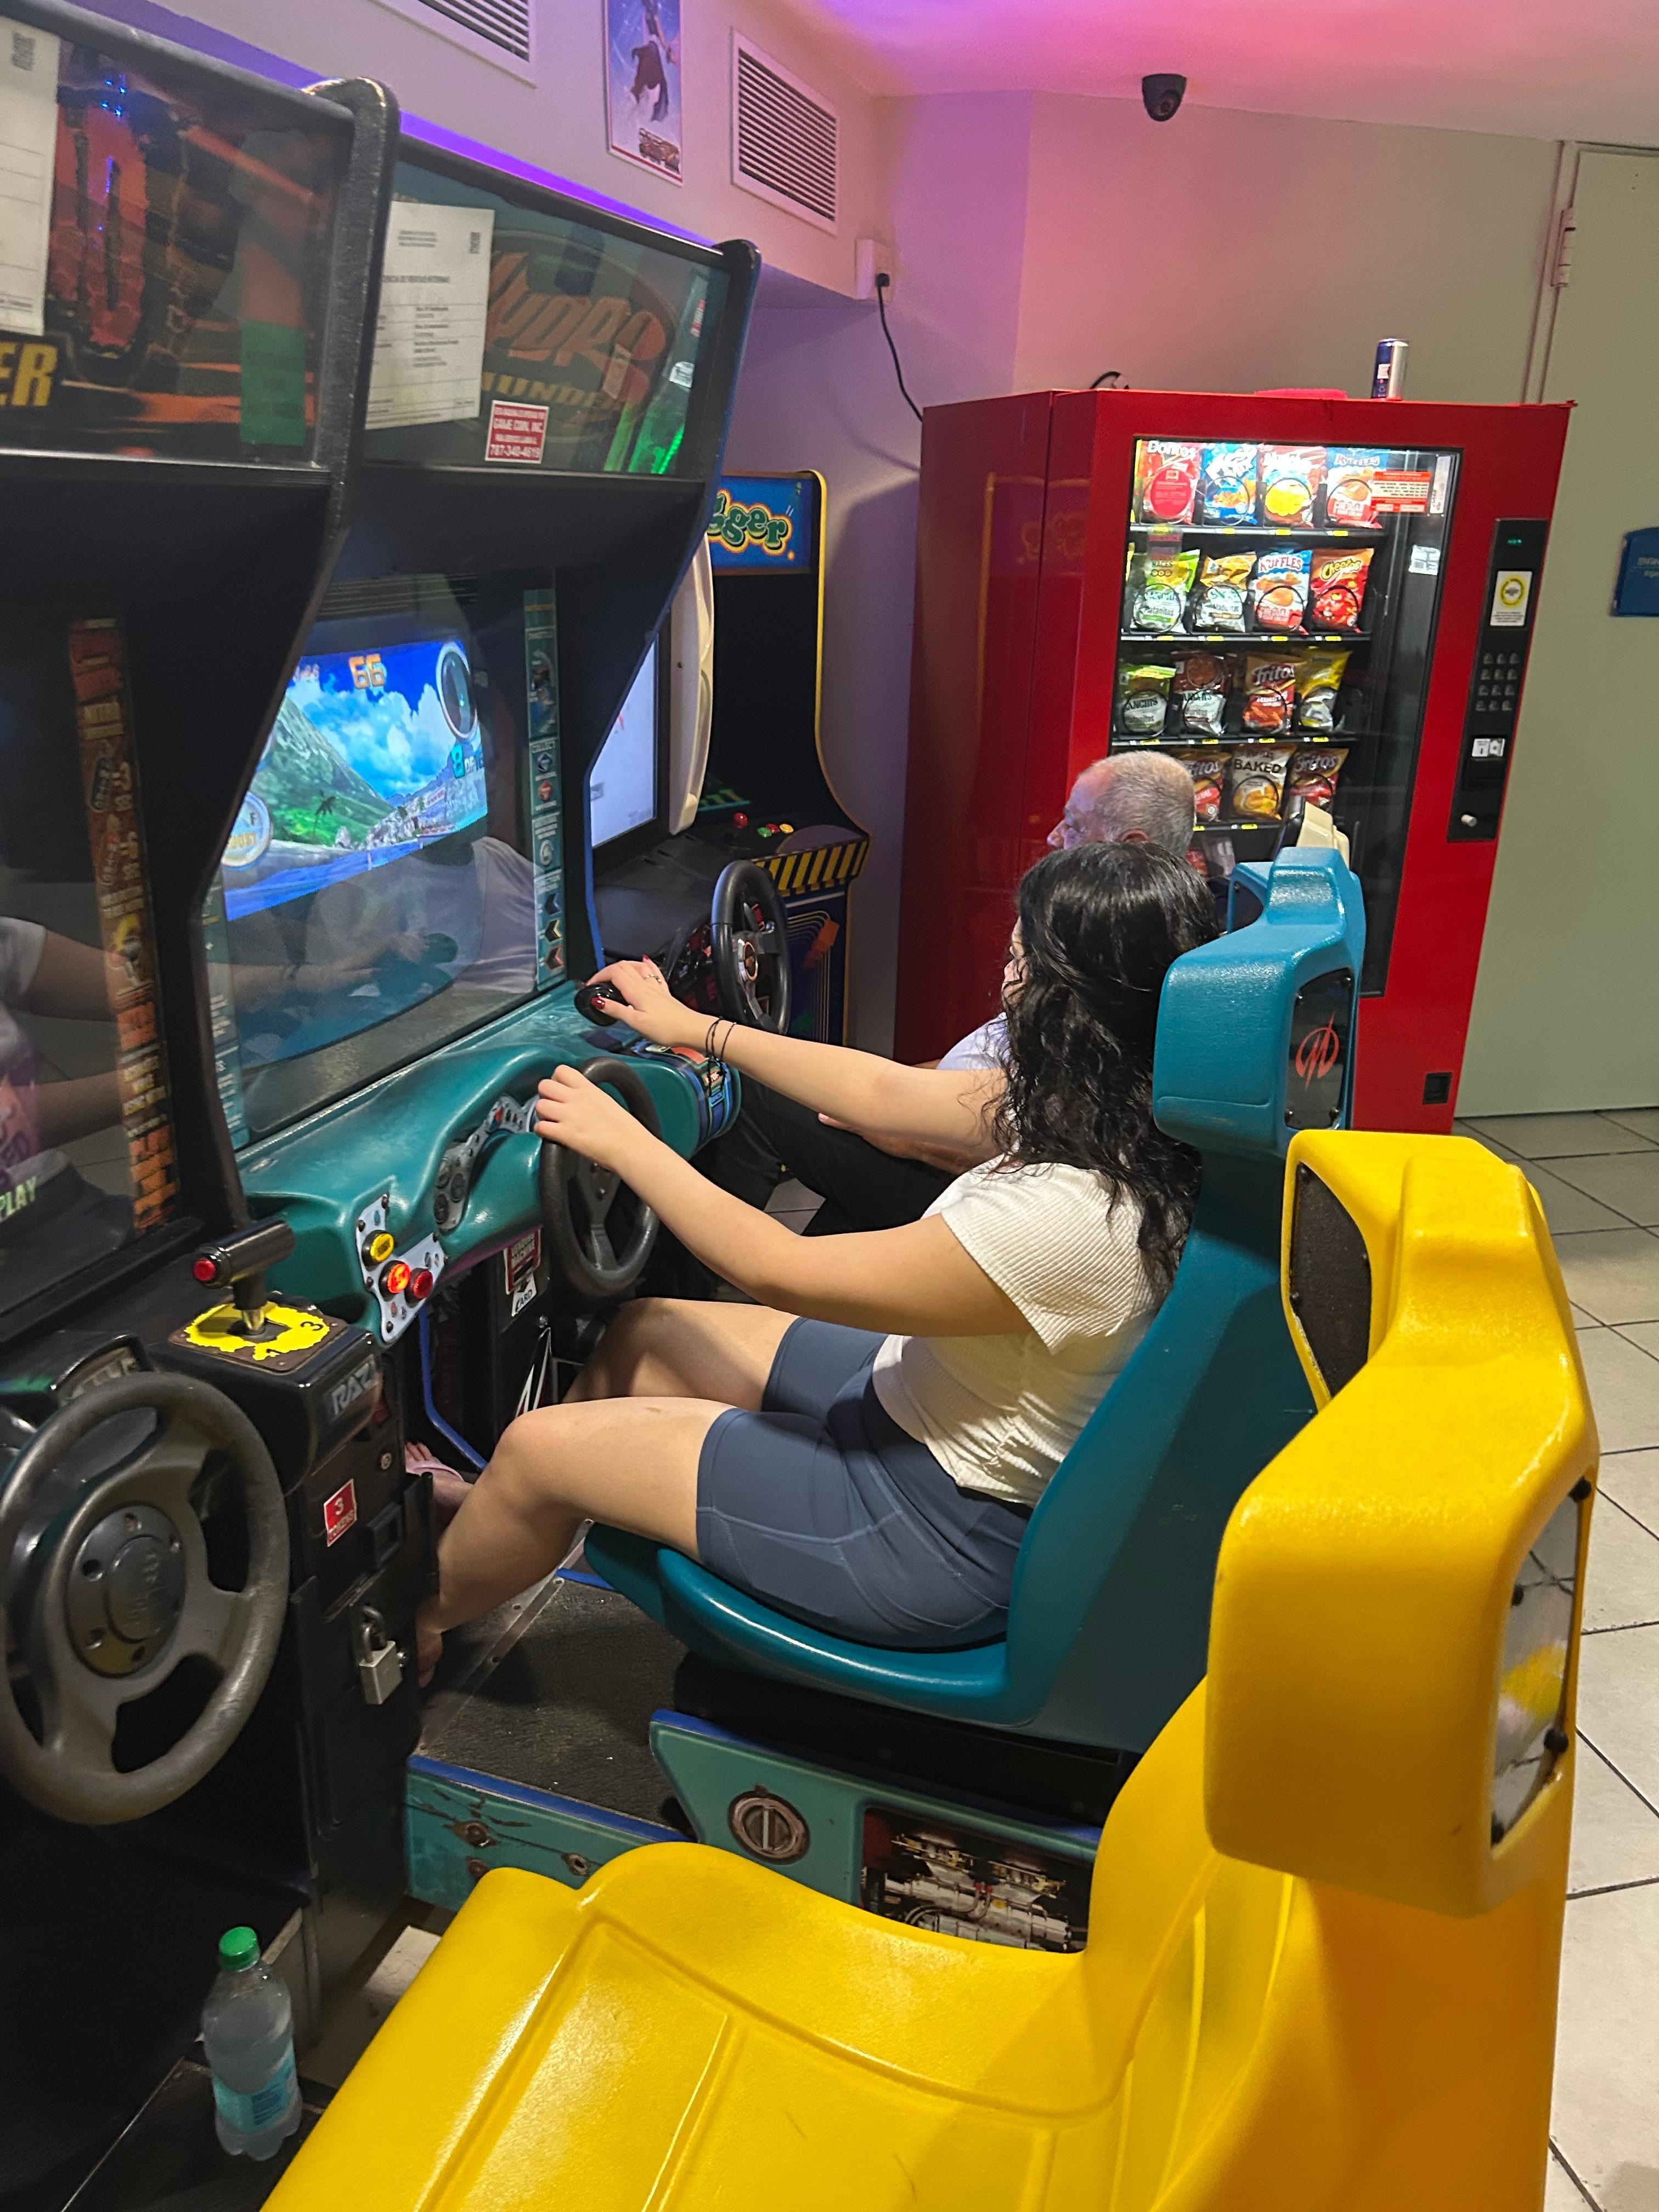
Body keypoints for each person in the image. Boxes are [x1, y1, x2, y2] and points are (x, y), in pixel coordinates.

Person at [416, 842, 1217, 1681]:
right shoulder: (1123, 1108)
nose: (1007, 982)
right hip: (937, 1408)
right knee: (648, 1333)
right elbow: (879, 1092)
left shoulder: (1075, 1217)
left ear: (1068, 1005)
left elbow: (778, 1267)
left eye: (1020, 962)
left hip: (935, 1532)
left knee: (542, 1450)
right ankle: (510, 1523)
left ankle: (421, 1628)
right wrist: (696, 1030)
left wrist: (624, 1142)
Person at [644, 748, 1199, 1289]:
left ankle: (677, 1290)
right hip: (931, 1129)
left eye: (1074, 825)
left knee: (753, 1104)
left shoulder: (1060, 1168)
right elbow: (893, 1088)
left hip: (939, 1169)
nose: (1055, 837)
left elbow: (775, 1264)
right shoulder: (1126, 970)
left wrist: (629, 1140)